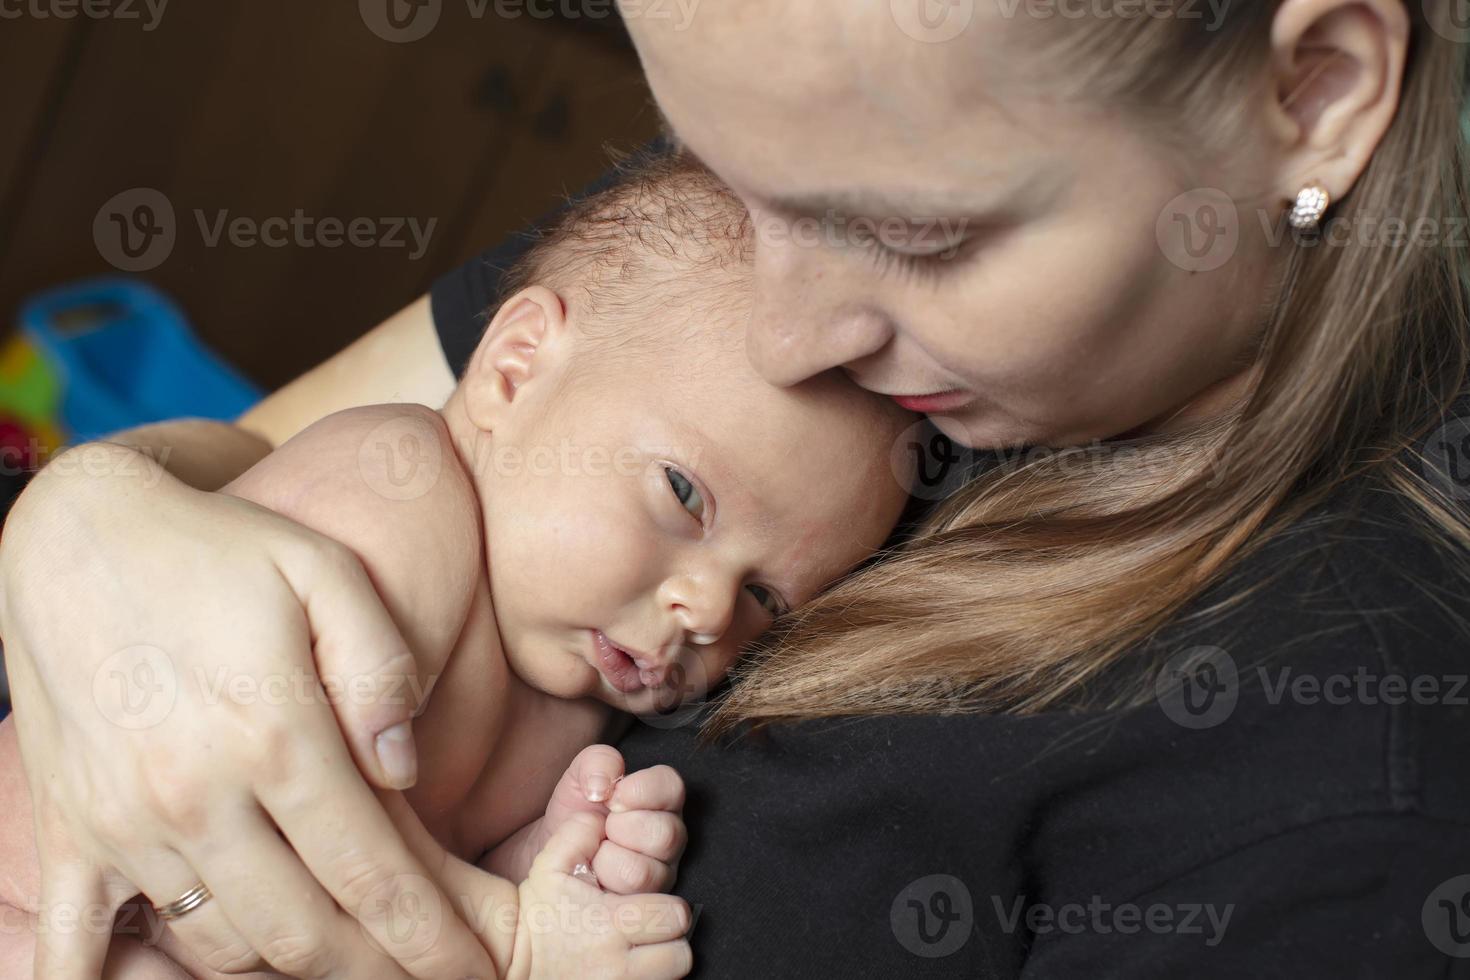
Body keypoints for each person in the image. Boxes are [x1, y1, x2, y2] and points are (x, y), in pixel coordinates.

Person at [2, 0, 1468, 975]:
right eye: (733, 173)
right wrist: (84, 518)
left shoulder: (1344, 788)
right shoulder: (776, 190)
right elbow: (273, 464)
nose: (783, 338)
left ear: (1316, 89)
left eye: (912, 235)